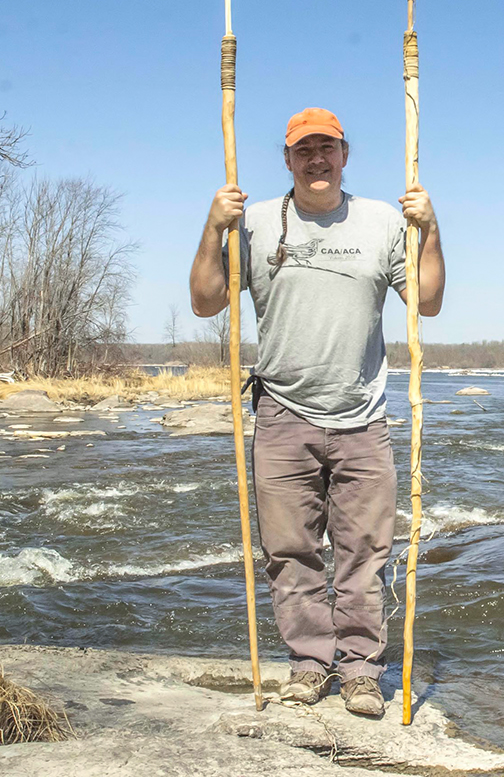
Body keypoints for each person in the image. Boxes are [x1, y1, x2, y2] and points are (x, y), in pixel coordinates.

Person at [188, 107, 445, 717]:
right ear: (287, 160)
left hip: (362, 418)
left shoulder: (384, 221)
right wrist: (210, 227)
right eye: (304, 151)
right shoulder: (250, 226)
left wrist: (431, 230)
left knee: (364, 554)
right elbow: (203, 303)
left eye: (327, 148)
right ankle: (308, 665)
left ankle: (359, 672)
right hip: (281, 415)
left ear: (345, 153)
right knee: (290, 553)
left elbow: (427, 303)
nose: (317, 160)